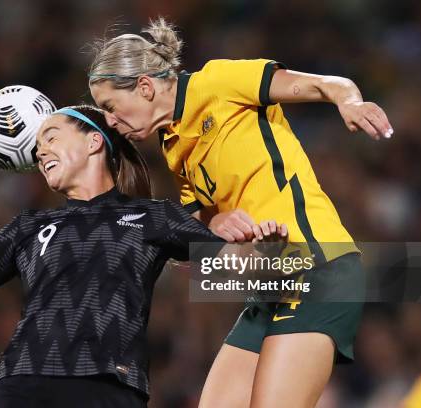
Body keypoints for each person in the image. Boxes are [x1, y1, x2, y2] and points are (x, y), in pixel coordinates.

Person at [0, 105, 284, 407]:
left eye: (50, 136)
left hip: (108, 387)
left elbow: (239, 268)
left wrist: (266, 250)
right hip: (23, 384)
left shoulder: (151, 215)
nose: (40, 152)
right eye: (36, 149)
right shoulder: (28, 226)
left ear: (94, 141)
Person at [87, 17, 392, 408]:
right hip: (269, 280)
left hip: (317, 264)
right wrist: (214, 223)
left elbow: (327, 83)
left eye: (110, 107)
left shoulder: (218, 82)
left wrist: (349, 102)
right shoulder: (173, 144)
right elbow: (197, 230)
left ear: (145, 87)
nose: (110, 122)